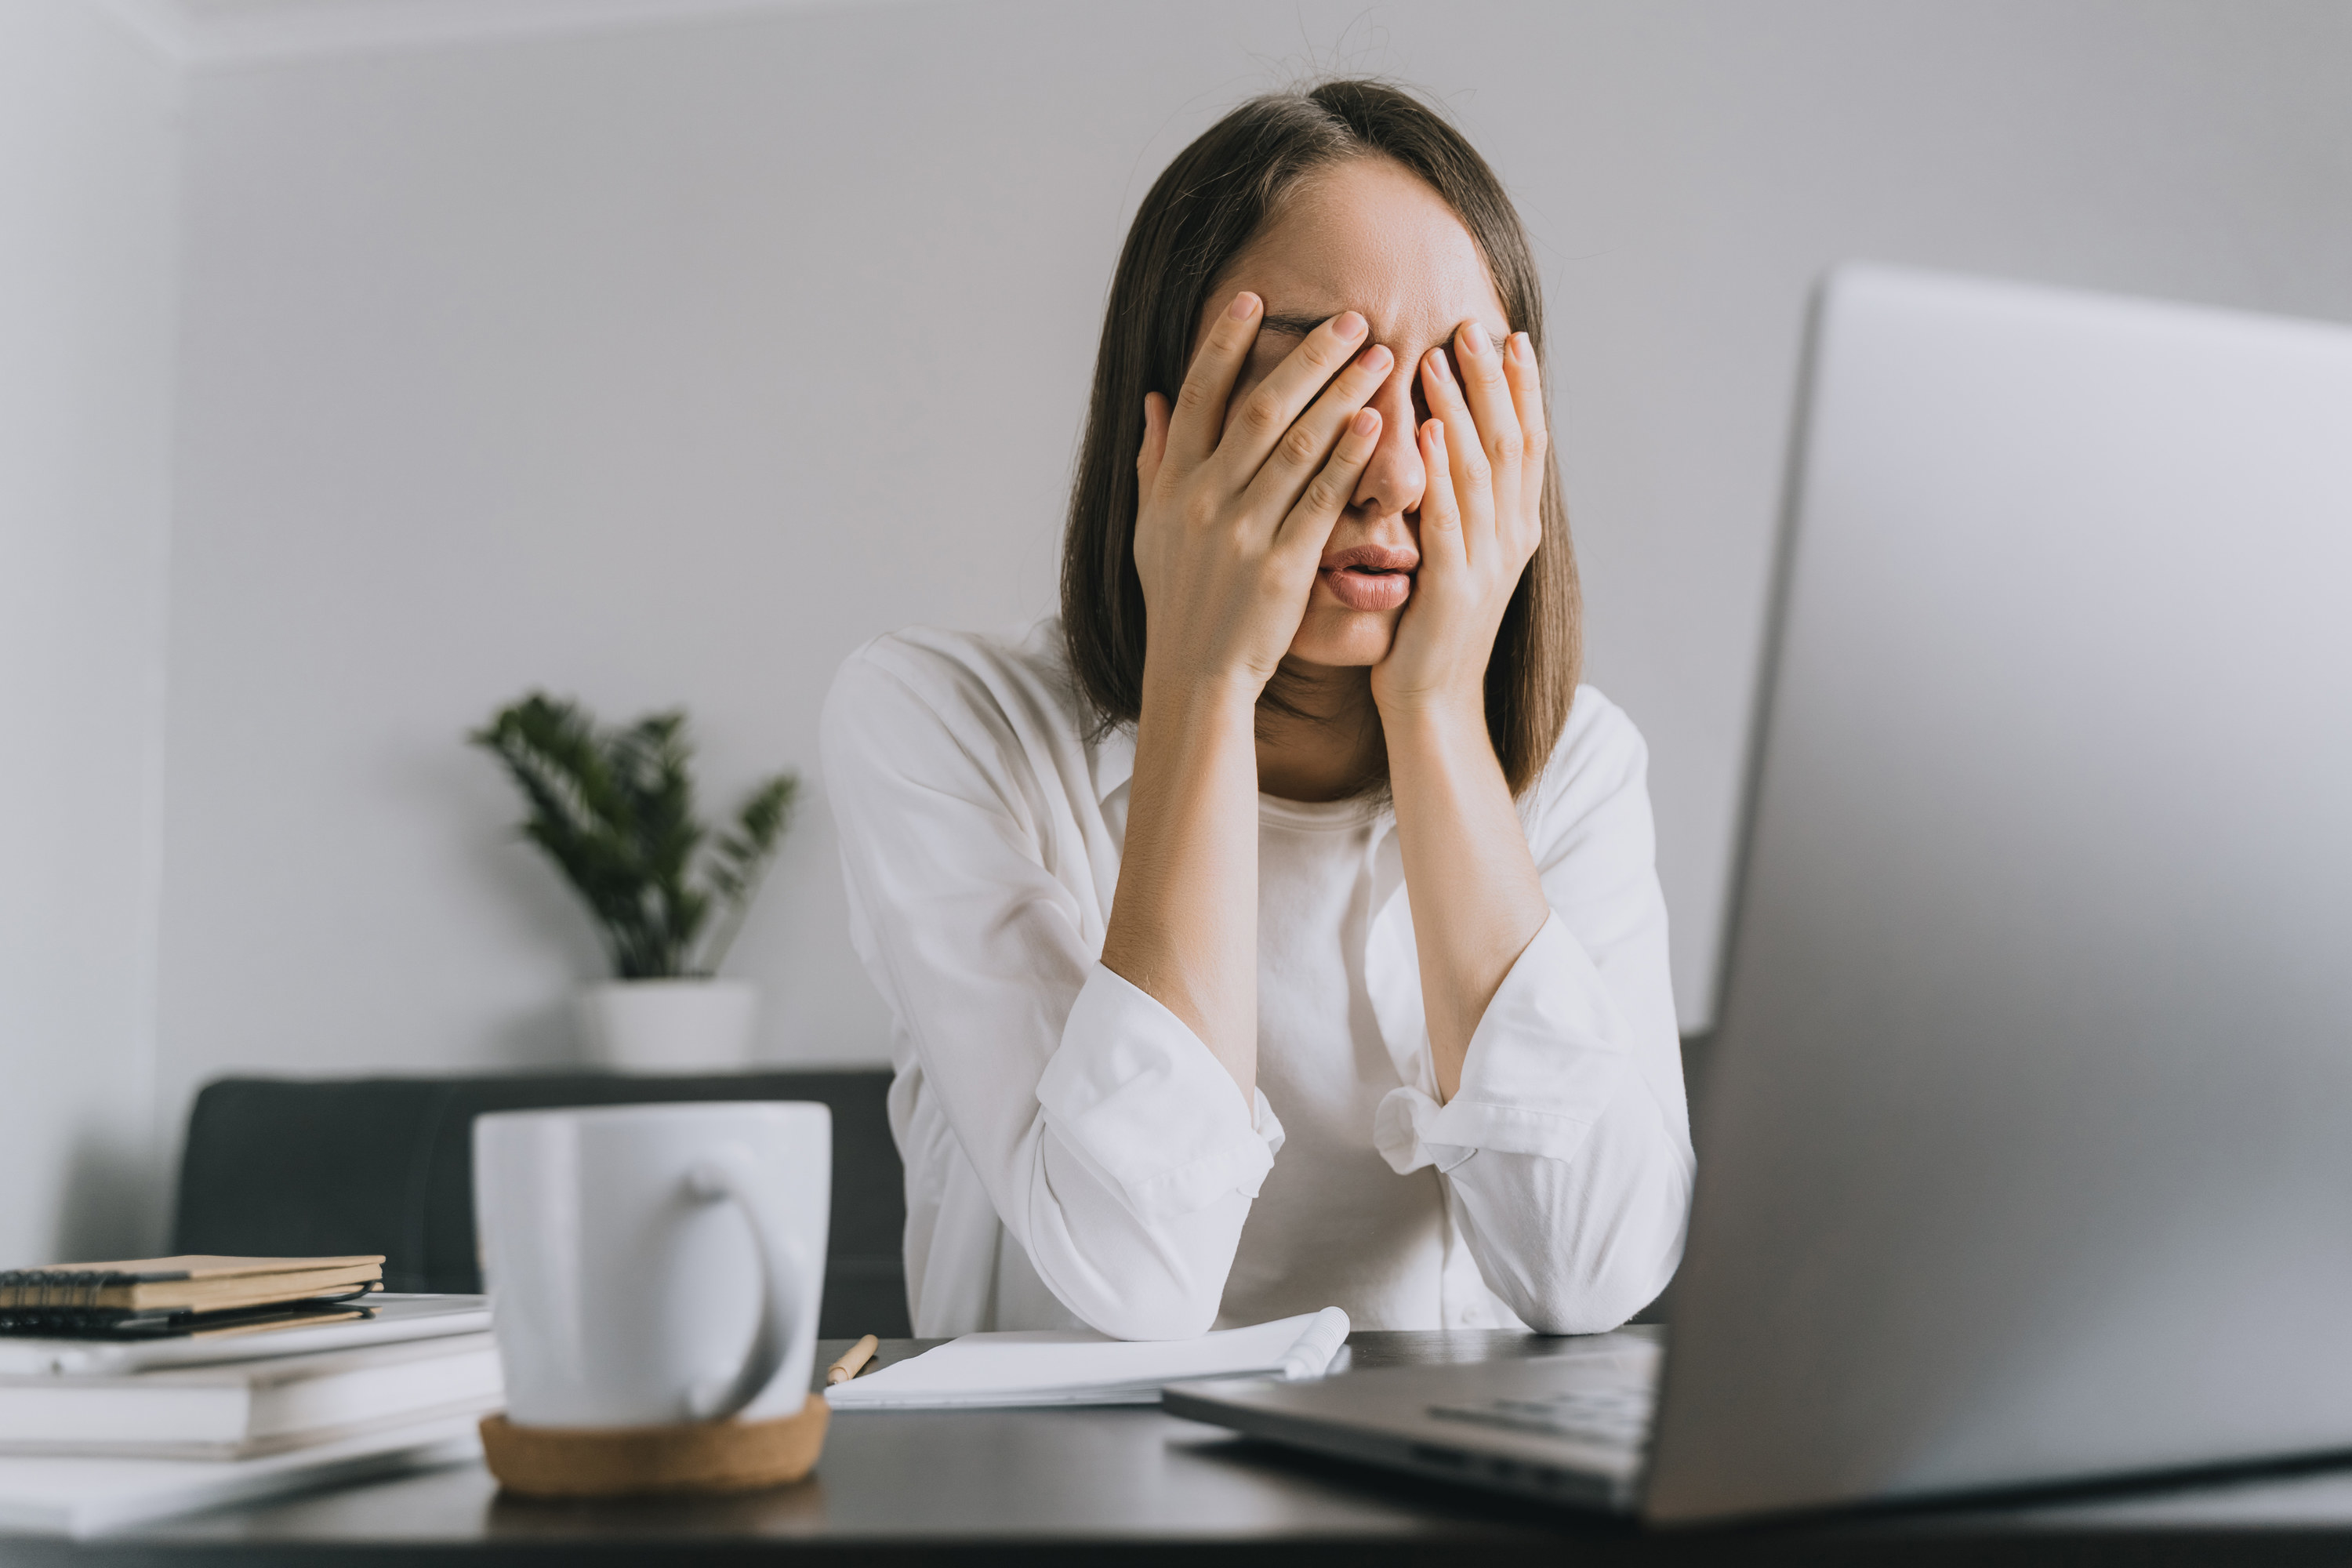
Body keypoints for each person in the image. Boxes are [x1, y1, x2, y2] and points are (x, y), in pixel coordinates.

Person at [821, 80, 1693, 1341]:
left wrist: (1441, 709)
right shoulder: (938, 724)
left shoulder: (1579, 770)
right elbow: (1136, 1281)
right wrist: (1201, 678)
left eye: (1451, 387)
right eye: (1321, 382)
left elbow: (1594, 1278)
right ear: (1162, 417)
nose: (1392, 472)